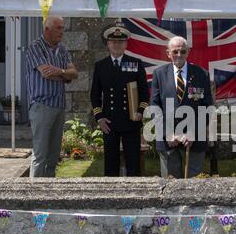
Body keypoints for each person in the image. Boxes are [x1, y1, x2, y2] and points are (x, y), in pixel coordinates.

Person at [90, 21, 149, 176]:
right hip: (109, 122)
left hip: (131, 121)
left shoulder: (135, 63)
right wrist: (99, 118)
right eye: (113, 41)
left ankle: (136, 197)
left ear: (126, 44)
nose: (117, 44)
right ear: (108, 43)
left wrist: (140, 111)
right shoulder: (100, 66)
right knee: (110, 164)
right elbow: (94, 95)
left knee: (133, 164)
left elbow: (144, 92)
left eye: (121, 41)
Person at [150, 36, 213, 178]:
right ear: (168, 53)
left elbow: (207, 107)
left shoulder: (201, 74)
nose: (179, 55)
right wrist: (166, 132)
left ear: (188, 52)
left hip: (194, 139)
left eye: (183, 51)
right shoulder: (159, 74)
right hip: (169, 140)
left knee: (193, 185)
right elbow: (155, 106)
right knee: (170, 184)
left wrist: (193, 132)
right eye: (175, 52)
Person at [25, 16, 78, 177]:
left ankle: (49, 195)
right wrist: (64, 75)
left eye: (62, 28)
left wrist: (60, 72)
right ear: (47, 29)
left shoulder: (62, 49)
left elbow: (74, 73)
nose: (62, 31)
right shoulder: (36, 47)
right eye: (58, 28)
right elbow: (46, 74)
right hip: (41, 105)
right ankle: (35, 196)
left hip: (59, 105)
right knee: (40, 154)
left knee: (53, 156)